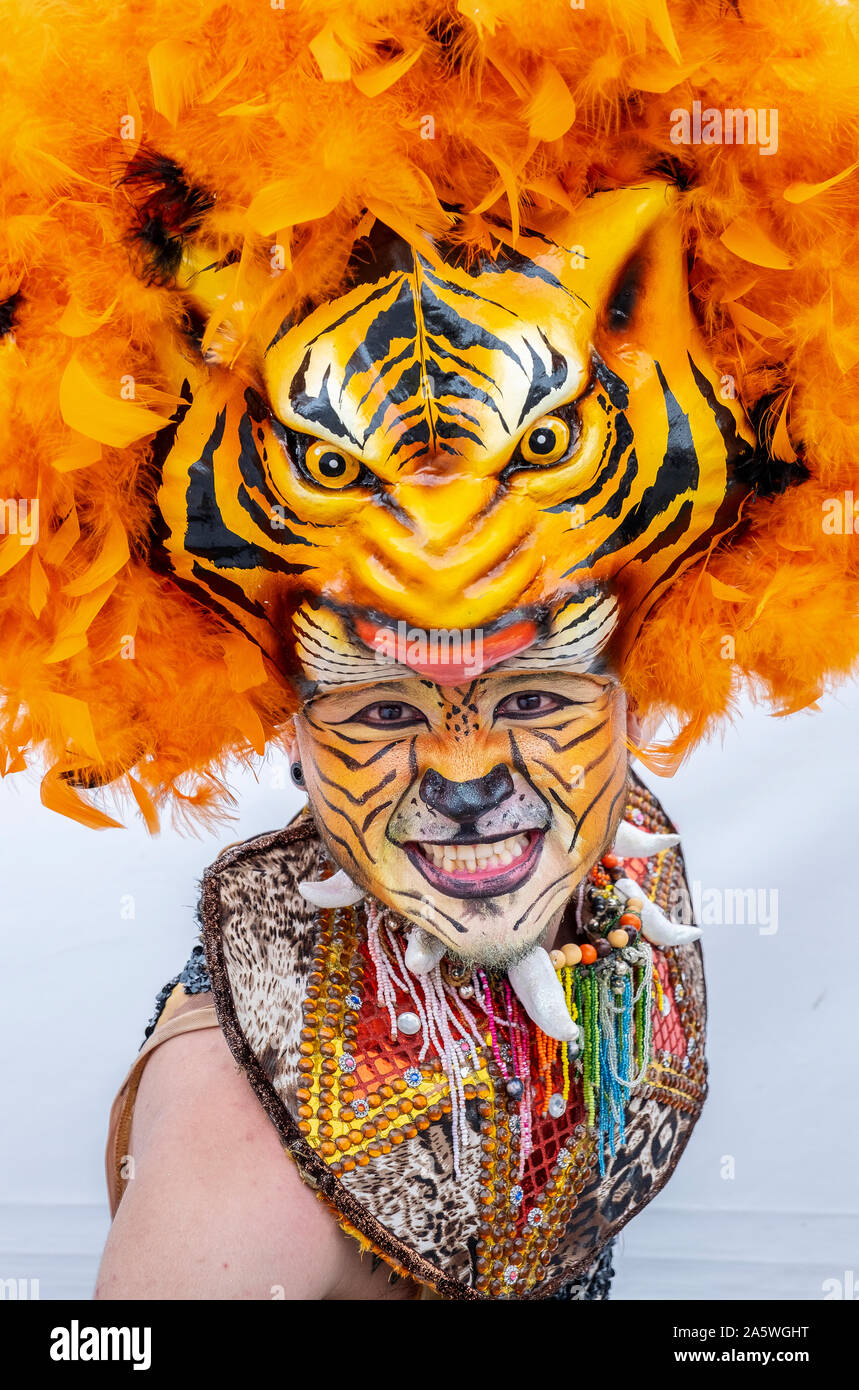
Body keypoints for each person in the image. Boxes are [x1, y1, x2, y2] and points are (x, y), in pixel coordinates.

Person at [3, 0, 857, 1304]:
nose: (465, 770)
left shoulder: (620, 879)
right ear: (288, 716)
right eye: (385, 702)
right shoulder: (243, 1162)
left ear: (633, 667)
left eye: (529, 681)